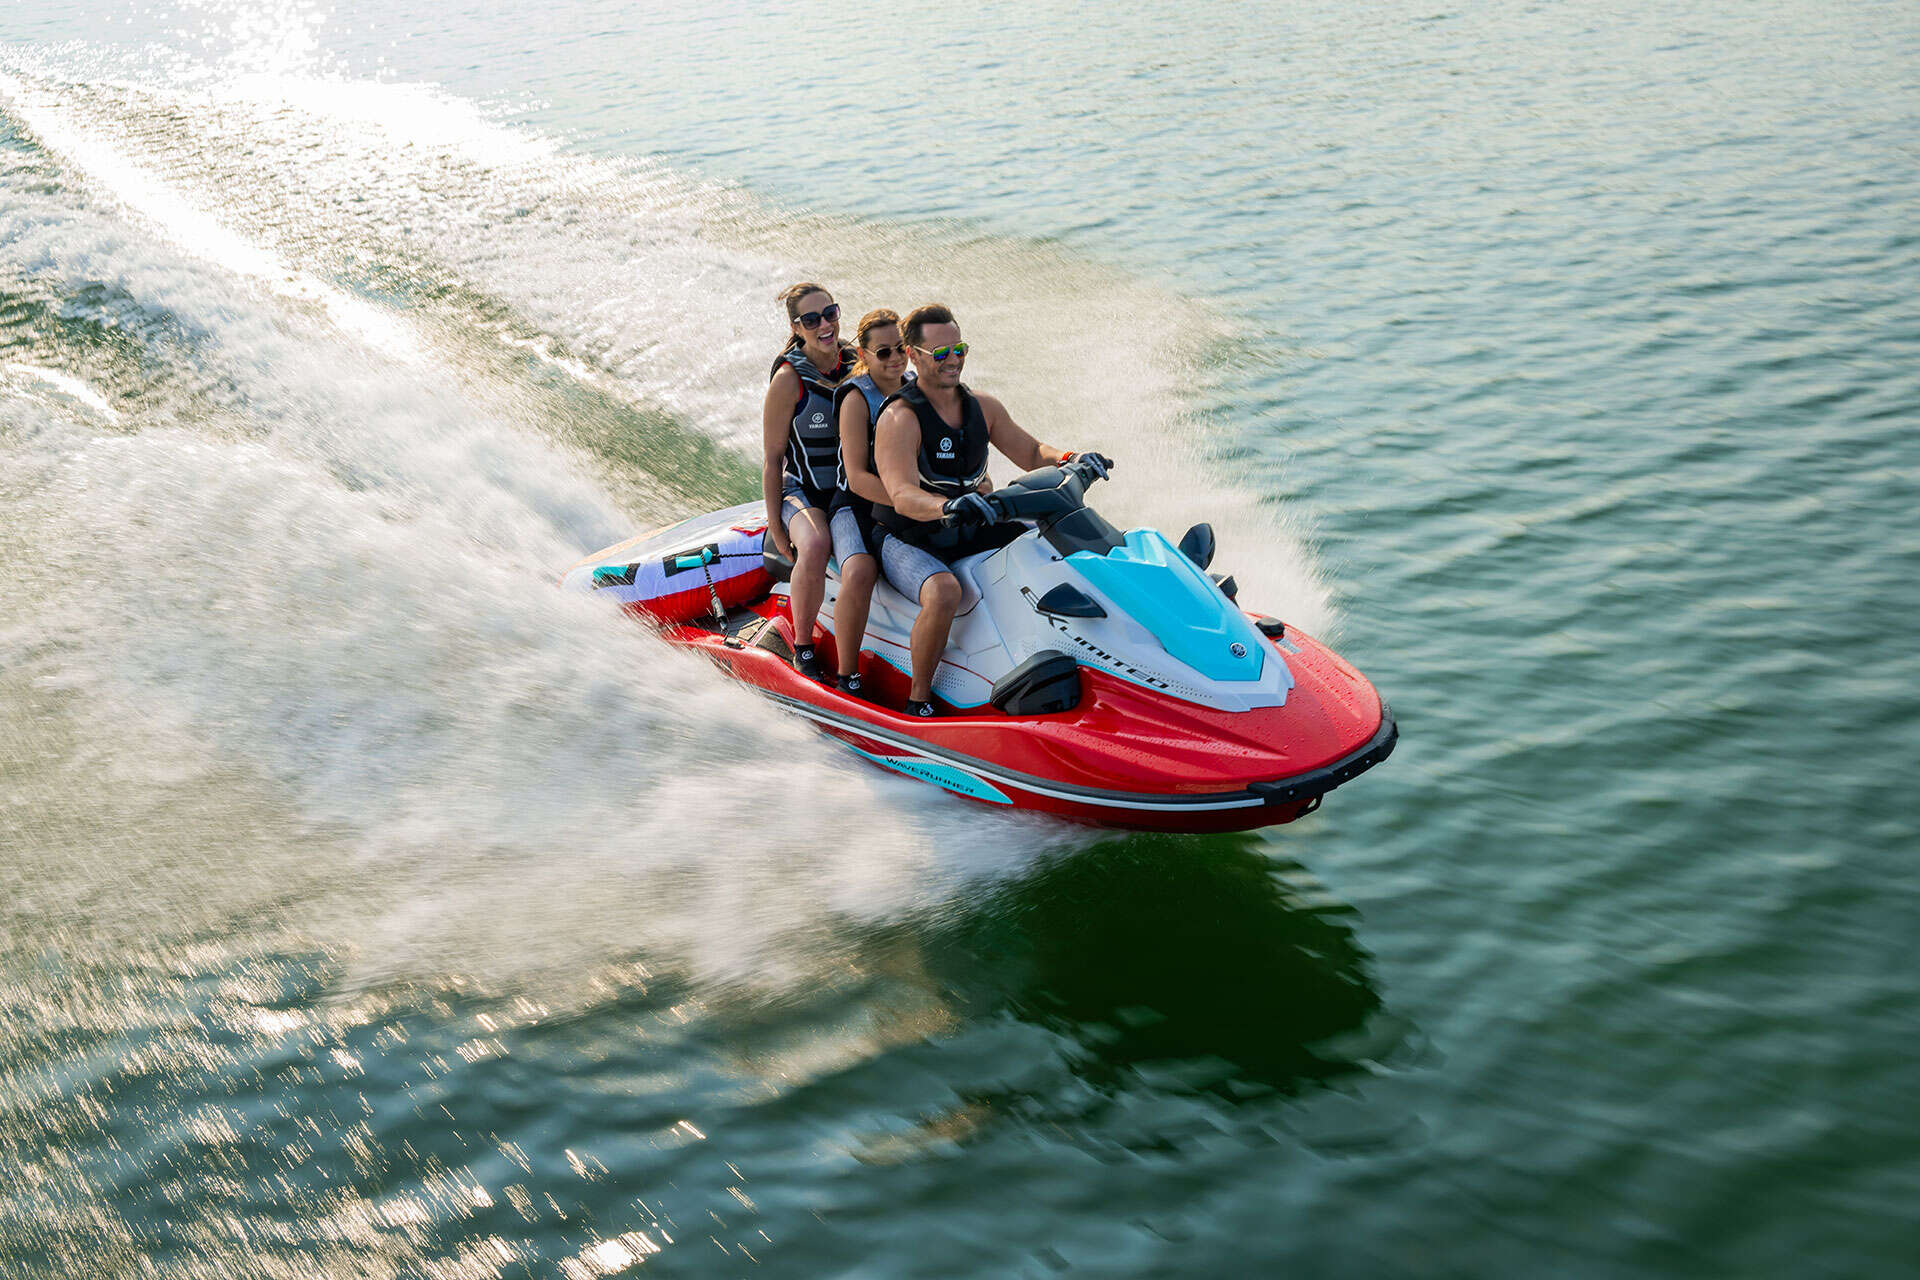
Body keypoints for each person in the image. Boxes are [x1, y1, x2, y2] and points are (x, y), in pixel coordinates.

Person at [870, 303, 1112, 717]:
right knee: (944, 592)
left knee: (1053, 548)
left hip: (969, 521)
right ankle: (918, 700)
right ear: (913, 356)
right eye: (941, 353)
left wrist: (1072, 458)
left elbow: (1031, 452)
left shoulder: (983, 406)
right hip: (909, 534)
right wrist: (948, 506)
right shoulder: (900, 417)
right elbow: (902, 494)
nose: (954, 360)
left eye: (959, 349)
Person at [762, 282, 855, 680]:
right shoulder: (788, 379)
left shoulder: (858, 361)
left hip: (849, 489)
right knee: (816, 544)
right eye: (812, 319)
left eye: (830, 314)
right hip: (801, 490)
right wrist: (775, 527)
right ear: (796, 327)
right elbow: (772, 461)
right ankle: (802, 645)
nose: (825, 325)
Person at [827, 308, 913, 698]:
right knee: (861, 571)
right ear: (863, 355)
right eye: (883, 352)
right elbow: (858, 476)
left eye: (901, 348)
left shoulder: (917, 388)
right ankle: (847, 676)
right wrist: (909, 502)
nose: (895, 358)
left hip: (905, 503)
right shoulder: (856, 398)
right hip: (855, 505)